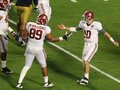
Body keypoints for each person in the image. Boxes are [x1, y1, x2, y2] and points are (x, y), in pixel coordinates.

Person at [58, 11, 119, 85]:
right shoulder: (82, 23)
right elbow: (76, 29)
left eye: (87, 17)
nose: (85, 18)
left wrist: (113, 41)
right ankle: (85, 77)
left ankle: (86, 79)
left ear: (91, 18)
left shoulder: (97, 24)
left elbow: (105, 33)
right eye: (85, 17)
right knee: (84, 62)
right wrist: (65, 28)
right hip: (86, 45)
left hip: (93, 45)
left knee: (86, 60)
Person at [16, 14, 71, 89]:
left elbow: (24, 33)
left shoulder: (30, 24)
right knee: (43, 65)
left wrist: (23, 37)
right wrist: (62, 38)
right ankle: (46, 82)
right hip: (38, 50)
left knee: (27, 66)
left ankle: (19, 83)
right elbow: (51, 39)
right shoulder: (46, 28)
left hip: (29, 48)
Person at [0, 0, 16, 74]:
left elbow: (5, 23)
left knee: (4, 51)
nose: (8, 5)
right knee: (4, 51)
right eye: (6, 4)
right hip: (1, 35)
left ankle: (4, 67)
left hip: (4, 33)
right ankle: (4, 68)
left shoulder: (4, 12)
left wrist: (11, 31)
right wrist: (2, 33)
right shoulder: (1, 13)